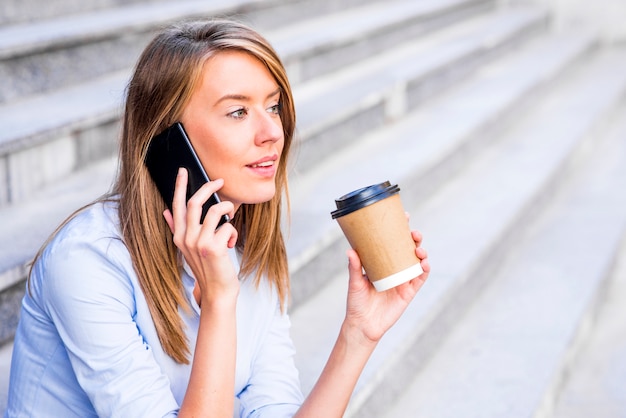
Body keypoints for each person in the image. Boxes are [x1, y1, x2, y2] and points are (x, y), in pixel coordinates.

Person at [4, 18, 430, 417]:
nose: (271, 133)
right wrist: (219, 302)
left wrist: (359, 334)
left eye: (274, 106)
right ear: (168, 141)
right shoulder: (86, 261)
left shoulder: (245, 246)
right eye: (238, 112)